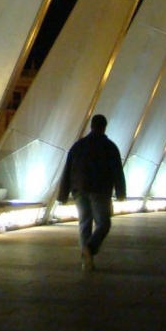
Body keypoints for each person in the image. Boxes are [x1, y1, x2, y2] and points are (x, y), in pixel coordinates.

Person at [57, 114, 126, 271]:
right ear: (104, 128)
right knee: (103, 223)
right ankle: (90, 247)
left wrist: (63, 194)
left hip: (80, 190)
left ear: (91, 126)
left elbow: (68, 170)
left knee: (84, 223)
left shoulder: (78, 146)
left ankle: (86, 261)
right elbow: (117, 171)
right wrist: (120, 192)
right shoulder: (110, 147)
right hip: (100, 190)